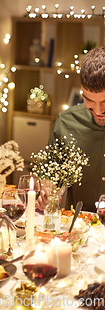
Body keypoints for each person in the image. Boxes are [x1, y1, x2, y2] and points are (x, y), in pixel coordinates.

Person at [38, 46, 105, 213]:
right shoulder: (67, 122)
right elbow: (49, 179)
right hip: (77, 229)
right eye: (89, 100)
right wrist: (46, 194)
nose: (98, 111)